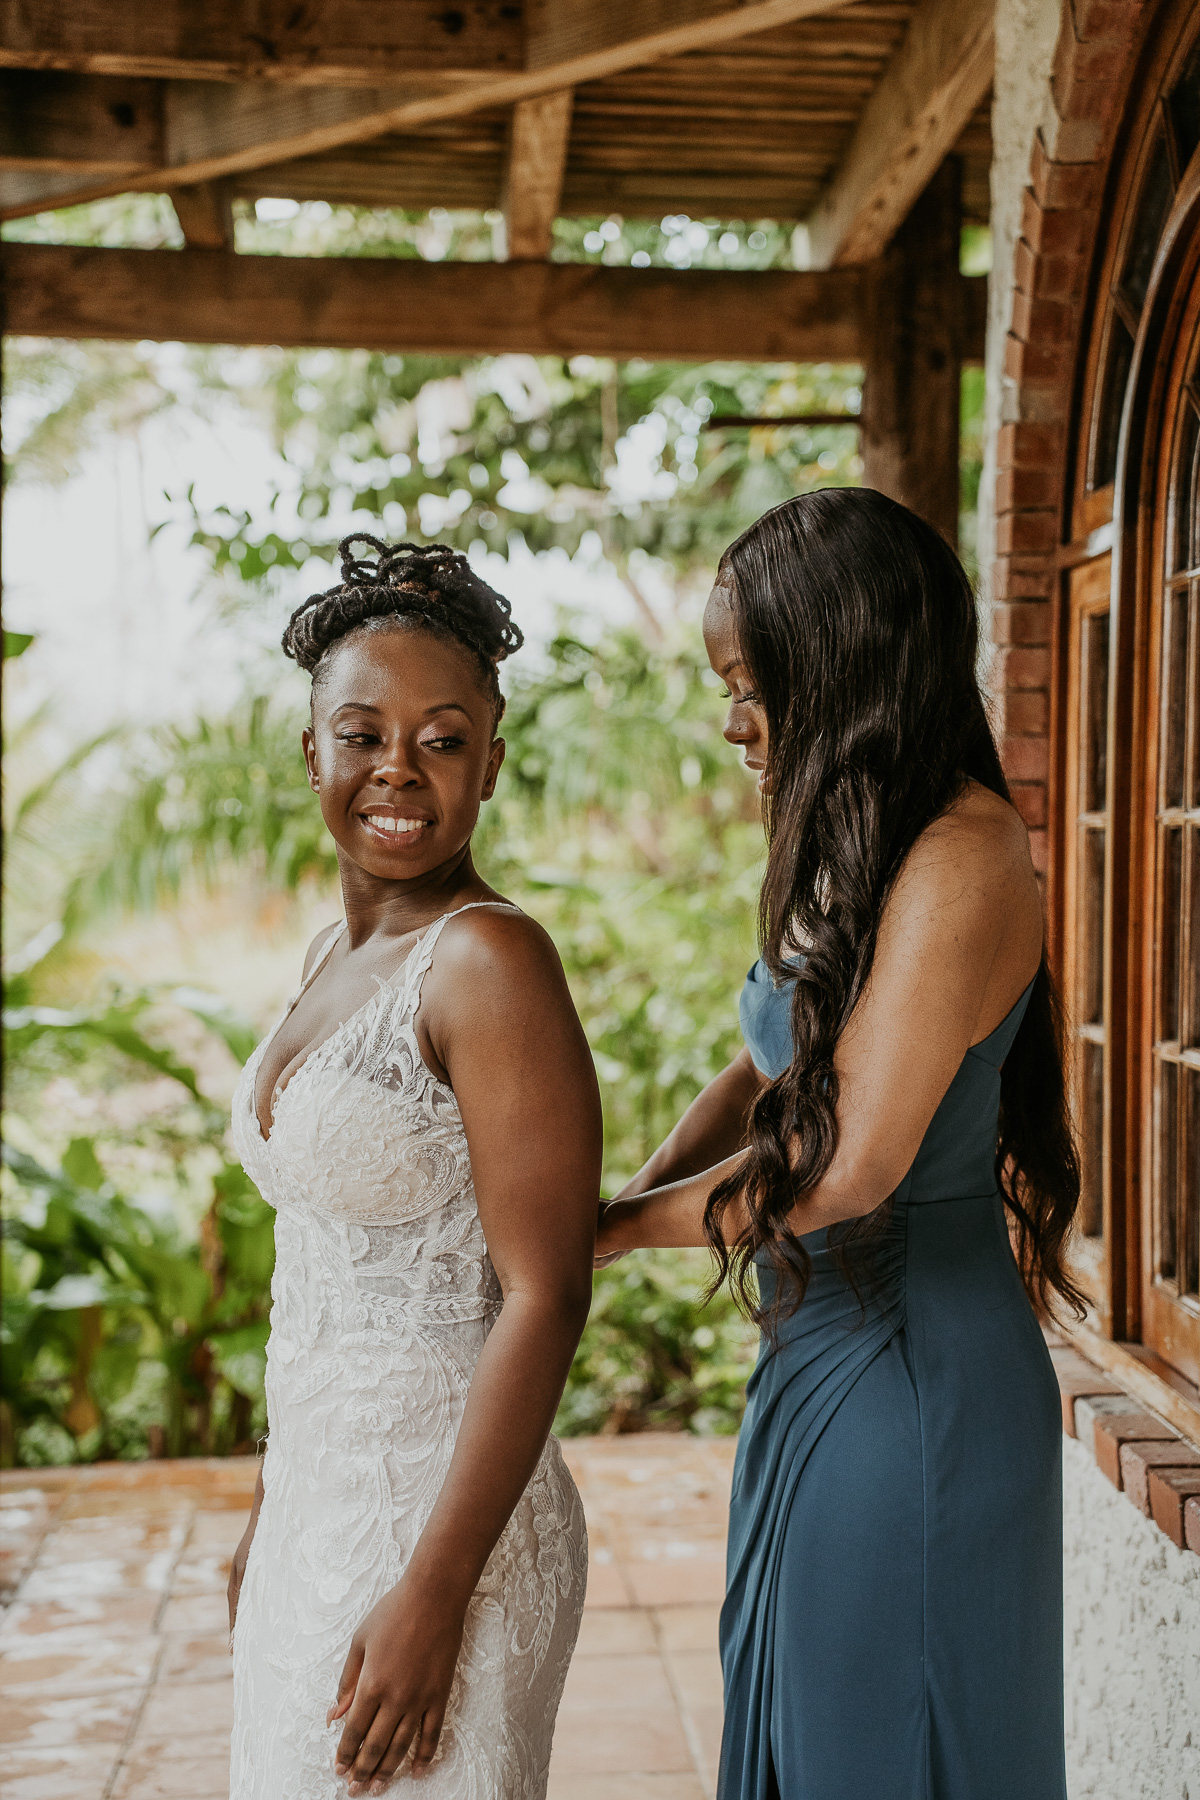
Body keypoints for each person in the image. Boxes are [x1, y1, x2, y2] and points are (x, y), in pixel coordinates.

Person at [596, 489, 1082, 1800]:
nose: (733, 720)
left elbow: (853, 1165)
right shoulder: (865, 846)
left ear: (847, 660)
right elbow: (769, 1056)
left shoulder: (966, 863)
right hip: (819, 1357)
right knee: (809, 1715)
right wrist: (640, 1185)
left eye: (753, 685)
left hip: (911, 1376)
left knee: (887, 1741)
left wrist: (609, 1237)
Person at [226, 536, 601, 1799]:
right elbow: (317, 1282)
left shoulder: (491, 964)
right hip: (319, 1511)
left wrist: (436, 1594)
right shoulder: (330, 966)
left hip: (446, 1532)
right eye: (361, 732)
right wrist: (272, 1506)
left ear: (490, 761)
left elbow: (546, 1293)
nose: (397, 768)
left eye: (441, 739)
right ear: (312, 750)